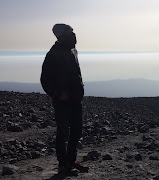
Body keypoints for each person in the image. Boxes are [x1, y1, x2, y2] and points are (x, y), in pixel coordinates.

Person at [40, 23, 88, 173]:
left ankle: (71, 160)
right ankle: (63, 163)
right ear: (61, 37)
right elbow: (45, 79)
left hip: (75, 98)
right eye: (70, 33)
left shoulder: (72, 51)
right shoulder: (53, 54)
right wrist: (58, 94)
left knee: (76, 131)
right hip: (62, 101)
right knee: (63, 132)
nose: (74, 36)